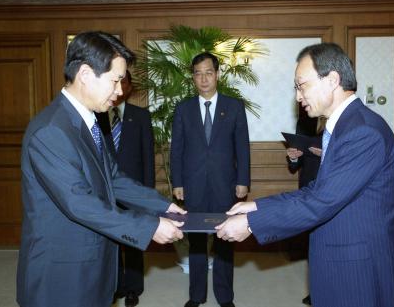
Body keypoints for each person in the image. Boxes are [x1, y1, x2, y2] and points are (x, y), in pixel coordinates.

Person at [216, 43, 394, 307]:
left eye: (301, 85)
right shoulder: (346, 126)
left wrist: (251, 223)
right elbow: (318, 190)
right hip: (340, 258)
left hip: (359, 269)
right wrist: (257, 205)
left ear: (331, 80)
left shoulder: (363, 132)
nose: (297, 96)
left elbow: (321, 202)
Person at [16, 31, 185, 307]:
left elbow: (113, 179)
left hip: (93, 264)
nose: (120, 91)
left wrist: (162, 206)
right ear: (85, 74)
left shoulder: (88, 122)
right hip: (62, 274)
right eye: (115, 80)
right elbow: (79, 203)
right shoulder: (51, 131)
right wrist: (148, 227)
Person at [170, 52, 250, 307]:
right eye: (197, 73)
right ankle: (196, 296)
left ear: (217, 74)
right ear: (193, 77)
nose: (203, 78)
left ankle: (225, 297)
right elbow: (177, 149)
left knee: (225, 240)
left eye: (208, 72)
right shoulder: (183, 108)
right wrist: (178, 182)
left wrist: (243, 180)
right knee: (195, 241)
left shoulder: (234, 106)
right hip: (193, 185)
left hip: (224, 184)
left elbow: (242, 148)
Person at [96, 70, 154, 307]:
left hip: (135, 190)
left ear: (128, 87)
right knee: (110, 241)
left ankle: (133, 288)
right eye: (115, 82)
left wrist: (148, 195)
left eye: (124, 82)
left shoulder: (140, 116)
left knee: (133, 239)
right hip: (107, 191)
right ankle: (114, 285)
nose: (119, 88)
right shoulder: (97, 115)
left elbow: (148, 157)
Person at [286, 107, 323, 306]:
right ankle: (315, 290)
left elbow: (350, 160)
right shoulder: (304, 123)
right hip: (308, 189)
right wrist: (293, 155)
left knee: (329, 242)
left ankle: (330, 289)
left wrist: (326, 154)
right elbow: (295, 165)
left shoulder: (340, 122)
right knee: (312, 244)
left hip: (332, 190)